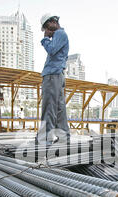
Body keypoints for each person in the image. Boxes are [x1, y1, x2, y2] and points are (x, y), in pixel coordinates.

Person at [36, 13, 70, 145]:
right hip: (57, 74)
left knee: (49, 105)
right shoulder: (60, 35)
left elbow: (52, 49)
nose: (46, 32)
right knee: (59, 107)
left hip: (52, 75)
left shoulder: (59, 34)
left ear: (53, 22)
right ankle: (64, 137)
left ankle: (46, 138)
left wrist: (45, 40)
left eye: (46, 28)